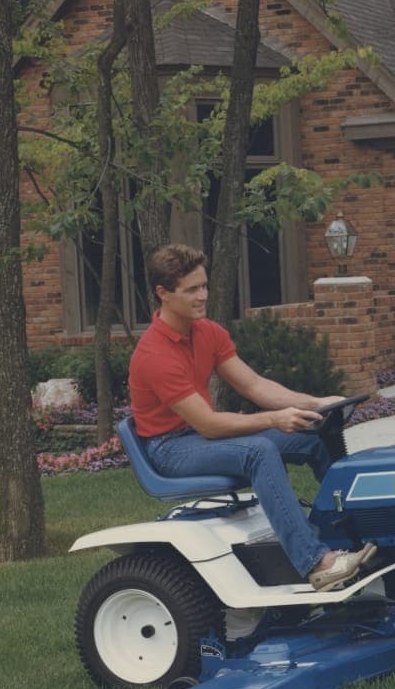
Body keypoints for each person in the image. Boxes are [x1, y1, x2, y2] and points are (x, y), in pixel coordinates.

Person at [128, 244, 375, 590]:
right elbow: (209, 425)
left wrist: (317, 404)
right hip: (170, 448)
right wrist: (273, 420)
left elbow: (255, 386)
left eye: (204, 286)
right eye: (192, 290)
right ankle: (316, 562)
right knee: (259, 451)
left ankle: (360, 531)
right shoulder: (155, 354)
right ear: (163, 293)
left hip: (198, 437)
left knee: (315, 433)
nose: (203, 296)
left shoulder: (207, 332)